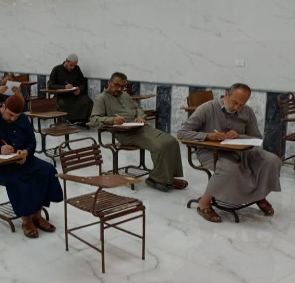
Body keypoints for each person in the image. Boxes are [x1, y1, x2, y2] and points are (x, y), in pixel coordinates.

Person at [177, 83, 281, 222]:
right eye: (234, 102)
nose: (237, 107)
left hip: (240, 151)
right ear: (226, 95)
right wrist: (208, 136)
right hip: (211, 152)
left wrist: (239, 136)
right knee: (230, 168)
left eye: (242, 104)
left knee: (272, 160)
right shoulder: (207, 108)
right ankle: (204, 203)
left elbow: (256, 138)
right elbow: (182, 132)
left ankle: (258, 195)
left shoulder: (247, 112)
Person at [0, 95, 63, 238]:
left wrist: (26, 152)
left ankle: (37, 214)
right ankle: (26, 219)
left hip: (21, 159)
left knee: (47, 170)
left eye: (17, 116)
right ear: (3, 107)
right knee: (17, 178)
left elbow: (31, 142)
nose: (13, 119)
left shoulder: (22, 118)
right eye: (10, 115)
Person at [90, 72, 187, 192]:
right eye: (116, 85)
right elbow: (94, 119)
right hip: (125, 134)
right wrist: (112, 120)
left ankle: (168, 177)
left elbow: (138, 108)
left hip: (140, 128)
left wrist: (140, 116)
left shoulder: (125, 95)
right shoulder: (101, 99)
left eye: (122, 86)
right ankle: (157, 179)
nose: (119, 89)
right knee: (159, 146)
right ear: (109, 83)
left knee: (171, 141)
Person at [48, 53, 93, 125]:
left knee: (86, 100)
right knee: (62, 103)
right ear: (66, 62)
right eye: (71, 65)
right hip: (61, 96)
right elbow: (50, 86)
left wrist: (79, 89)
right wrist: (64, 87)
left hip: (74, 95)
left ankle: (82, 121)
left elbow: (82, 83)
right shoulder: (56, 69)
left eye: (74, 65)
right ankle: (69, 121)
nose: (73, 67)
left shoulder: (77, 69)